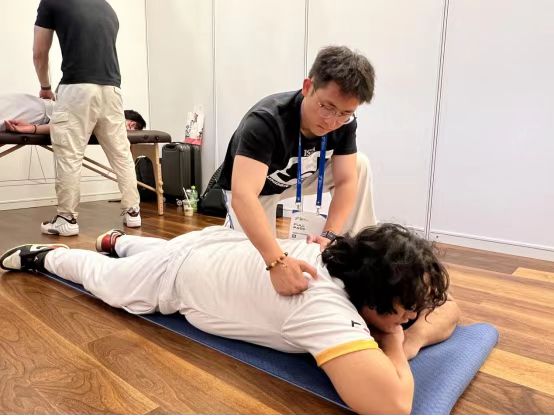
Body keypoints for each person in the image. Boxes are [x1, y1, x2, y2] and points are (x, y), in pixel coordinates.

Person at [0, 223, 460, 414]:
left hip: (213, 245)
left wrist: (407, 336)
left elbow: (450, 308)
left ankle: (119, 239)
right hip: (175, 277)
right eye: (406, 312)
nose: (415, 316)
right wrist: (395, 340)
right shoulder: (322, 304)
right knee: (108, 283)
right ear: (373, 302)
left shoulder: (354, 261)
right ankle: (49, 255)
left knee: (158, 251)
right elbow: (392, 405)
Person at [216, 45, 377, 296]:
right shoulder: (265, 121)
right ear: (307, 87)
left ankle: (360, 259)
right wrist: (276, 261)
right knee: (253, 265)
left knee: (359, 165)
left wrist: (330, 234)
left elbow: (346, 180)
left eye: (345, 113)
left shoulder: (345, 123)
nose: (332, 121)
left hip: (298, 175)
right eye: (327, 107)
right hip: (256, 190)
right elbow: (243, 195)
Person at [32, 0, 142, 236]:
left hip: (77, 89)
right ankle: (133, 212)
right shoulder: (107, 7)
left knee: (69, 155)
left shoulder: (51, 1)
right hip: (112, 90)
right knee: (121, 154)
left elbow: (39, 54)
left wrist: (45, 86)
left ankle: (66, 219)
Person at [0, 93, 147, 133]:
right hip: (38, 110)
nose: (130, 129)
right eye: (133, 125)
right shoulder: (103, 116)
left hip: (37, 111)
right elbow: (66, 124)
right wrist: (32, 129)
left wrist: (32, 128)